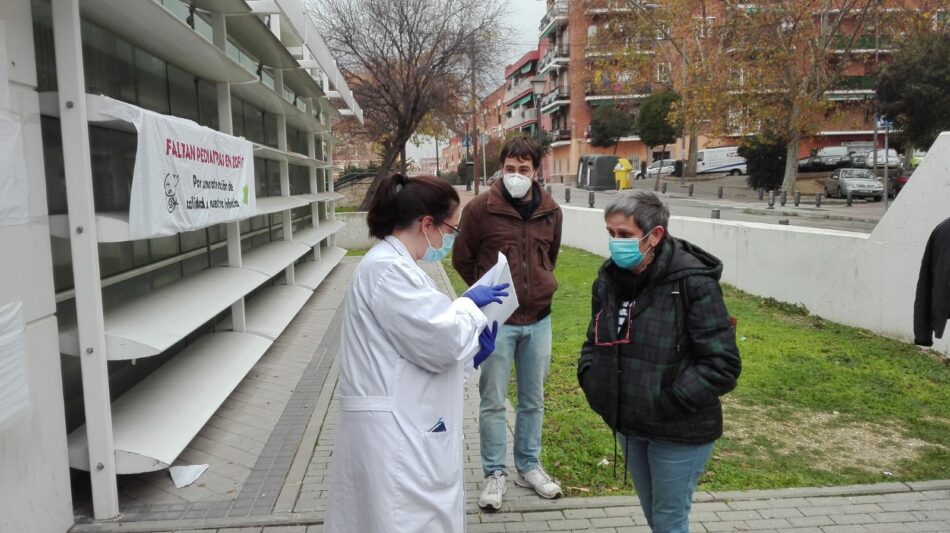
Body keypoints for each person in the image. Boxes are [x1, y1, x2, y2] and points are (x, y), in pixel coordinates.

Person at [325, 173, 509, 533]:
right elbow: (442, 339)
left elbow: (416, 347)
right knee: (402, 520)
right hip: (394, 435)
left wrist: (471, 356)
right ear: (427, 223)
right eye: (450, 230)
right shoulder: (388, 270)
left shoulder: (398, 267)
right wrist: (470, 308)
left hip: (403, 422)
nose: (447, 240)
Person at [577, 190, 741, 533]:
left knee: (668, 520)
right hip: (630, 424)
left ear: (655, 236)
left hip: (678, 429)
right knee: (656, 516)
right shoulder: (606, 281)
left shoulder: (693, 283)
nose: (615, 242)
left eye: (625, 235)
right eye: (611, 234)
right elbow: (595, 338)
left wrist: (667, 400)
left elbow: (722, 364)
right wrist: (593, 379)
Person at [452, 136, 564, 510]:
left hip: (539, 321)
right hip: (497, 324)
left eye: (524, 169)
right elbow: (463, 259)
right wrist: (489, 294)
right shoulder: (480, 209)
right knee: (493, 401)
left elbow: (551, 255)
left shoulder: (551, 211)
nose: (516, 175)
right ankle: (494, 474)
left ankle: (528, 467)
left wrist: (538, 285)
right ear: (501, 168)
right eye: (510, 169)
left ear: (536, 172)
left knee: (533, 400)